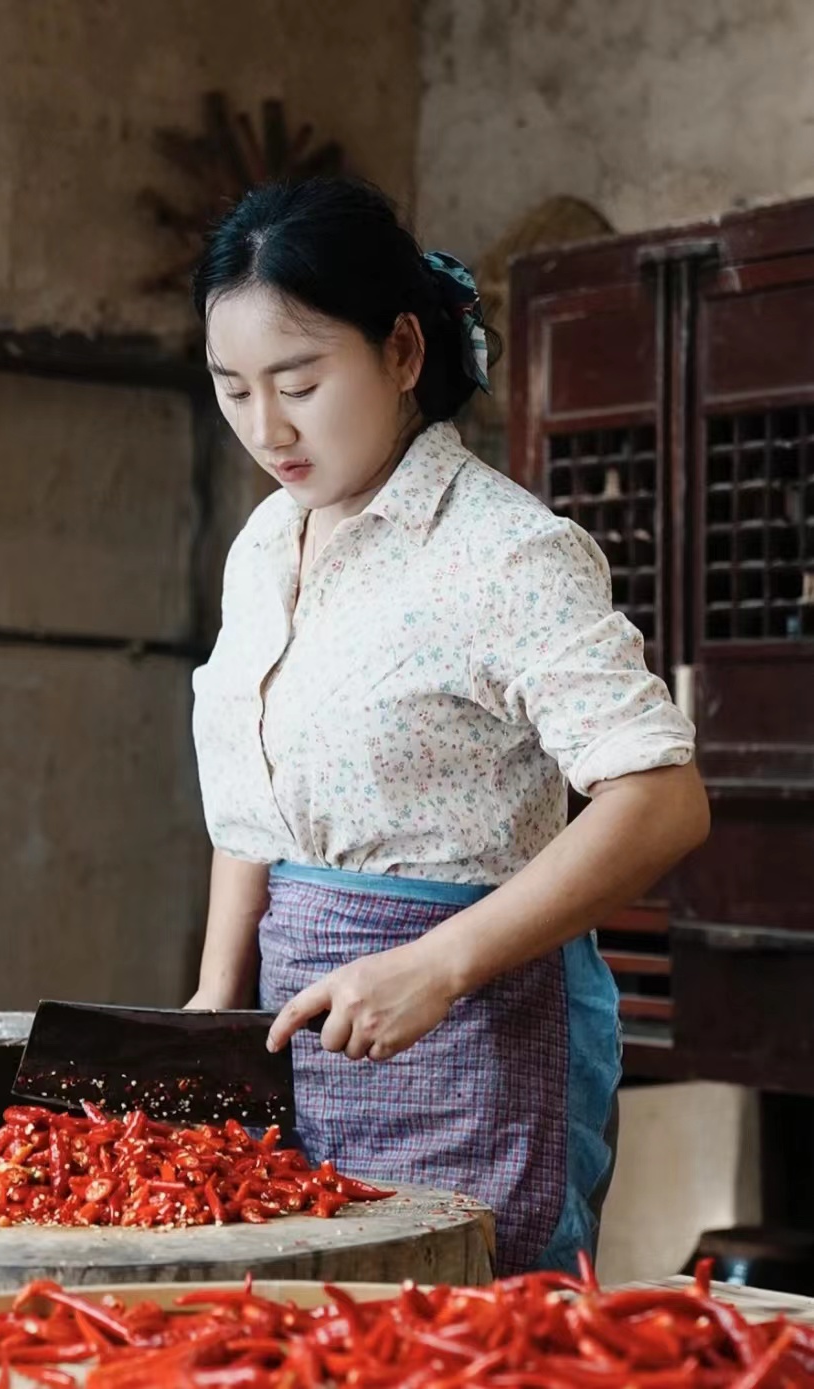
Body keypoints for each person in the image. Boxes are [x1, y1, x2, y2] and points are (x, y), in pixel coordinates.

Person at [185, 176, 710, 1276]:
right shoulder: (262, 548)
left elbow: (662, 800)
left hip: (475, 1032)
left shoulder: (504, 552)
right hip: (296, 1038)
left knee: (467, 1328)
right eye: (233, 389)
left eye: (300, 381)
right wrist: (210, 1012)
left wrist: (436, 967)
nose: (266, 426)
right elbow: (249, 809)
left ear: (405, 353)